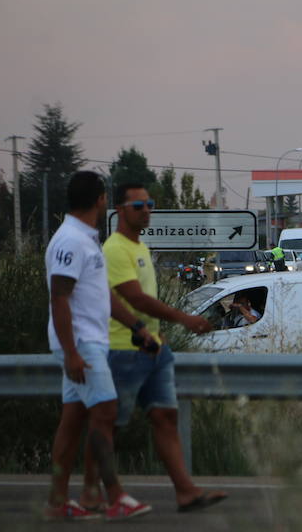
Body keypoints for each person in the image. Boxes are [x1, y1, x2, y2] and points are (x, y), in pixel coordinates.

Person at [81, 182, 228, 513]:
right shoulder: (115, 249)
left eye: (150, 204)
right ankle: (92, 493)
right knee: (108, 425)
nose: (147, 210)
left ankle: (186, 492)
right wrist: (184, 318)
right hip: (122, 350)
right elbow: (134, 298)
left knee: (164, 416)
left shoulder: (141, 247)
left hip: (155, 350)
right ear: (120, 210)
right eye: (138, 206)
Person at [44, 171, 153, 522]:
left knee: (73, 421)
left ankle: (58, 502)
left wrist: (136, 325)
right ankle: (116, 497)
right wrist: (72, 352)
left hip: (88, 342)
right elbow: (59, 298)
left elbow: (100, 294)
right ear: (101, 200)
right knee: (105, 412)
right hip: (81, 345)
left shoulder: (86, 240)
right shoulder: (70, 241)